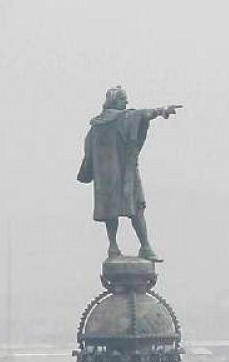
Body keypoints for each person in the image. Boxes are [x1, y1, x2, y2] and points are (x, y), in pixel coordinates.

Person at [77, 87, 181, 261]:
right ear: (115, 101)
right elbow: (143, 114)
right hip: (126, 173)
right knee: (137, 208)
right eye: (123, 99)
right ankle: (145, 245)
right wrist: (162, 111)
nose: (126, 103)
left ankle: (113, 246)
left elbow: (88, 152)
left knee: (110, 211)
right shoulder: (125, 118)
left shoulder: (95, 128)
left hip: (106, 178)